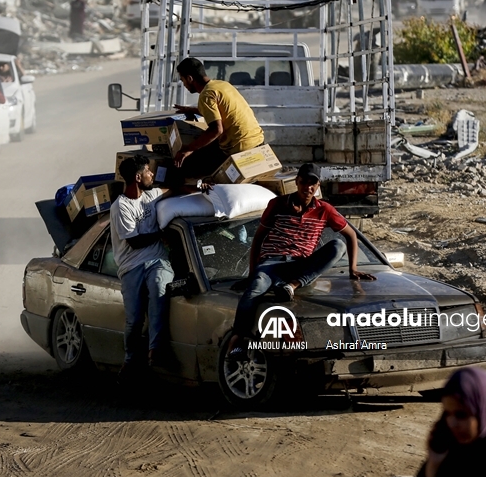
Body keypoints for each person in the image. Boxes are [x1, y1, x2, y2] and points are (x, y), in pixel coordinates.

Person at [226, 163, 376, 359]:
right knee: (254, 290)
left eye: (312, 183)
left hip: (301, 267)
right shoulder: (278, 204)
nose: (308, 187)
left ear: (318, 185)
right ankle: (237, 341)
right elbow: (258, 239)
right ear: (296, 182)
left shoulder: (325, 210)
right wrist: (253, 271)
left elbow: (350, 236)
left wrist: (353, 268)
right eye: (303, 182)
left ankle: (292, 286)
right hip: (271, 264)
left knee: (337, 245)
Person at [111, 155, 207, 372]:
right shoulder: (121, 207)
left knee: (159, 290)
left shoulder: (152, 194)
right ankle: (130, 361)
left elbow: (176, 190)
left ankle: (156, 352)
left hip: (156, 260)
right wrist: (159, 234)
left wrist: (201, 187)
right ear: (138, 177)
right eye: (148, 171)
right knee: (134, 319)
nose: (152, 174)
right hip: (131, 266)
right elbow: (134, 242)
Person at [171, 57, 265, 180]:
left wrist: (188, 149)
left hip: (240, 149)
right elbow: (221, 110)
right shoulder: (222, 85)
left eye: (183, 80)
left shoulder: (206, 95)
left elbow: (216, 130)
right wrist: (192, 110)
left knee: (185, 166)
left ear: (190, 78)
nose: (184, 85)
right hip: (258, 141)